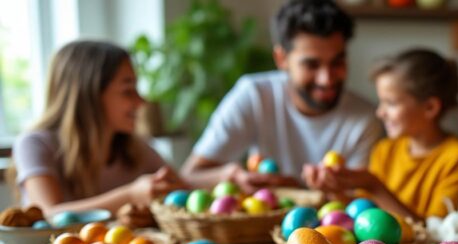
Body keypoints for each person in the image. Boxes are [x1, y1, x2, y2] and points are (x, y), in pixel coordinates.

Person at [181, 0, 382, 193]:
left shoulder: (366, 118)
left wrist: (295, 189)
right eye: (311, 65)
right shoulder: (254, 95)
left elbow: (359, 205)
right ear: (281, 59)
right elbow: (189, 175)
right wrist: (229, 175)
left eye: (337, 63)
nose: (326, 79)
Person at [11, 40, 185, 214]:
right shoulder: (34, 144)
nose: (141, 101)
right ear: (88, 96)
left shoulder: (135, 147)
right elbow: (48, 214)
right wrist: (130, 196)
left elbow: (183, 188)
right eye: (127, 90)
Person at [304, 48, 458, 220]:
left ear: (430, 107)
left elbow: (438, 237)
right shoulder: (385, 150)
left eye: (391, 103)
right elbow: (365, 215)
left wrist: (374, 185)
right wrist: (335, 190)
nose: (380, 113)